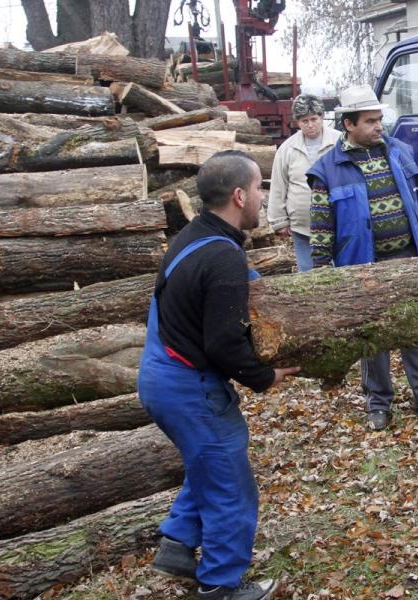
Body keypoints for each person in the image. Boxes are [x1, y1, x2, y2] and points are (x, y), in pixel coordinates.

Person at [139, 150, 300, 600]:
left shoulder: (190, 237)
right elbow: (223, 344)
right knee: (231, 485)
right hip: (188, 385)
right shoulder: (221, 257)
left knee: (208, 463)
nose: (262, 196)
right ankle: (221, 586)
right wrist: (263, 377)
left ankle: (177, 541)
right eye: (258, 187)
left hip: (160, 376)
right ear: (238, 195)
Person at [306, 86, 418, 432]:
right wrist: (321, 271)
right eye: (370, 121)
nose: (379, 126)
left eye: (380, 119)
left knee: (417, 332)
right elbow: (320, 225)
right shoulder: (328, 170)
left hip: (408, 259)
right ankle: (378, 404)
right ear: (348, 124)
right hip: (363, 268)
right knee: (372, 340)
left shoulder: (400, 152)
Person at [268, 94, 341, 272]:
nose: (310, 125)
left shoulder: (339, 142)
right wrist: (279, 221)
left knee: (342, 270)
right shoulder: (287, 149)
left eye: (314, 119)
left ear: (322, 116)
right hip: (303, 227)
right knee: (308, 275)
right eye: (304, 120)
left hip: (339, 222)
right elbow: (278, 185)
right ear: (297, 122)